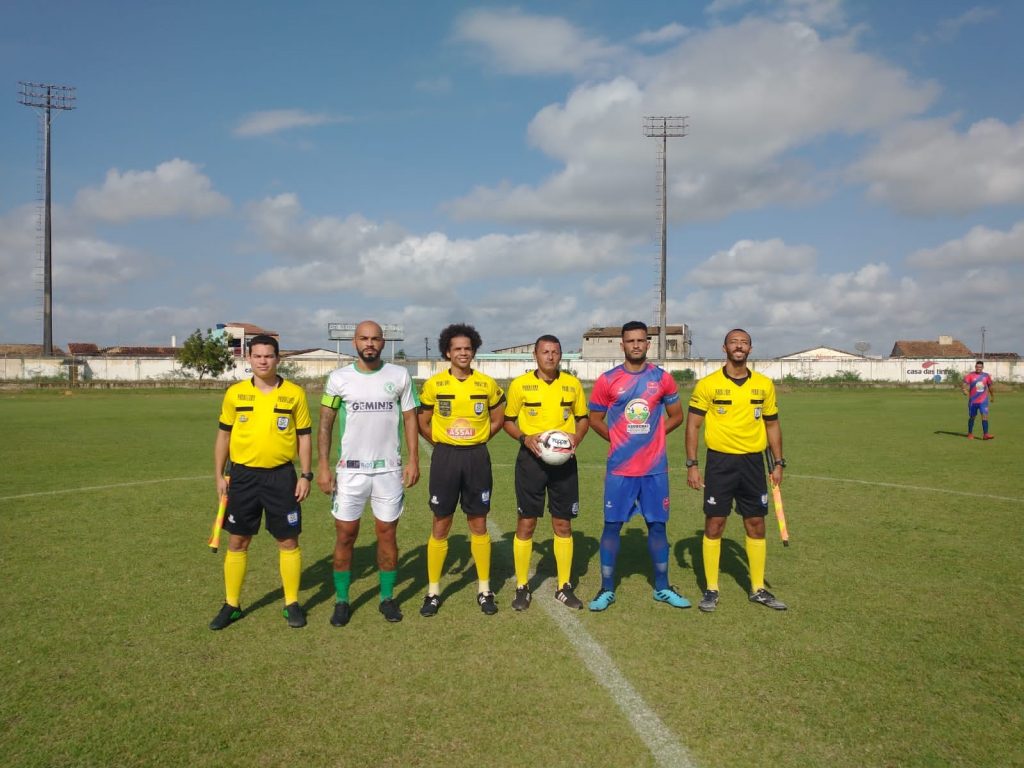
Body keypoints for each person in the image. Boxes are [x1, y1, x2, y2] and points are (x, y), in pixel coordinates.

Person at [317, 320, 420, 626]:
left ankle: (387, 598)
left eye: (375, 338)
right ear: (355, 342)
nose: (370, 343)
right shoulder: (338, 378)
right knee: (346, 535)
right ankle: (342, 600)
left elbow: (411, 418)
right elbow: (325, 422)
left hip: (388, 470)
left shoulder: (399, 375)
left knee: (387, 534)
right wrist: (323, 466)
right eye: (364, 338)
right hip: (350, 472)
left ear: (383, 342)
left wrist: (413, 460)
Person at [209, 334, 313, 630]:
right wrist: (219, 475)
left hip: (282, 477)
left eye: (269, 355)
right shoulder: (235, 394)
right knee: (238, 540)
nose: (263, 360)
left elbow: (304, 436)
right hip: (242, 477)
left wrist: (305, 474)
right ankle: (232, 604)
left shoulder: (294, 393)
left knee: (288, 540)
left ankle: (291, 602)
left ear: (278, 358)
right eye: (258, 356)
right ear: (249, 359)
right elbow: (224, 436)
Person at [587, 321, 690, 612]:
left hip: (655, 469)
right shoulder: (608, 380)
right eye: (630, 340)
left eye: (640, 340)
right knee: (611, 526)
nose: (635, 345)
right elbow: (594, 419)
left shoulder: (662, 378)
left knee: (657, 526)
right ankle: (606, 589)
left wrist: (653, 436)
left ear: (648, 344)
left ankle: (662, 587)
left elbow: (676, 415)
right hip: (620, 470)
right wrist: (619, 439)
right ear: (622, 345)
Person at [685, 328, 787, 613]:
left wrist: (778, 462)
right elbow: (693, 425)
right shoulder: (708, 384)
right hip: (720, 463)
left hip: (753, 464)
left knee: (756, 523)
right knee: (715, 524)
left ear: (750, 349)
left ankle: (757, 588)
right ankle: (712, 589)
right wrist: (692, 464)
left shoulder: (764, 385)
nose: (739, 346)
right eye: (734, 342)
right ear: (725, 347)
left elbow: (772, 425)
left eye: (744, 343)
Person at [417, 323, 506, 617]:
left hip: (477, 458)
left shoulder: (486, 384)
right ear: (447, 352)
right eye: (458, 349)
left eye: (468, 348)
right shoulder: (434, 384)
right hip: (445, 459)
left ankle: (484, 588)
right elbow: (423, 421)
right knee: (441, 523)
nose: (463, 353)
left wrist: (480, 439)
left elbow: (499, 416)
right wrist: (442, 443)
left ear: (474, 351)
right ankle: (433, 591)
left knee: (478, 523)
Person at [503, 335, 590, 611]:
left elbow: (584, 418)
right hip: (531, 461)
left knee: (563, 524)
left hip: (564, 463)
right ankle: (522, 586)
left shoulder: (572, 384)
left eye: (555, 352)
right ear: (535, 355)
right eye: (545, 352)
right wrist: (524, 438)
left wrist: (576, 438)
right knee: (526, 522)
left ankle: (563, 587)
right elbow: (507, 420)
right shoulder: (520, 385)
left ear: (561, 355)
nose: (550, 356)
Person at [962, 361, 995, 440]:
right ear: (975, 367)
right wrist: (964, 390)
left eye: (980, 367)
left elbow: (990, 386)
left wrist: (992, 396)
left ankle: (985, 434)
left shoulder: (986, 376)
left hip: (983, 401)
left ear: (982, 368)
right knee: (972, 417)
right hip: (973, 401)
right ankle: (970, 433)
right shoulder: (970, 375)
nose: (978, 368)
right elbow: (964, 384)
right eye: (977, 367)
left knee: (984, 416)